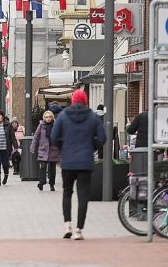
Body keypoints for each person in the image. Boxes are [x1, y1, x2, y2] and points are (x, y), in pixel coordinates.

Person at [51, 89, 106, 241]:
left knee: (67, 193)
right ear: (85, 100)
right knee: (83, 196)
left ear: (73, 100)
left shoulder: (63, 116)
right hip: (85, 162)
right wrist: (91, 146)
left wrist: (64, 148)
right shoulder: (93, 117)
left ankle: (67, 224)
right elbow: (102, 137)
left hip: (68, 161)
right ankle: (78, 230)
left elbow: (54, 137)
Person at [31, 110, 61, 192]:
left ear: (52, 117)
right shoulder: (41, 125)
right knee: (43, 167)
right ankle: (42, 182)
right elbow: (36, 137)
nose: (48, 118)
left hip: (53, 149)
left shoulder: (56, 125)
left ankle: (52, 184)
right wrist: (33, 147)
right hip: (43, 149)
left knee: (52, 169)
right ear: (44, 118)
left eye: (50, 117)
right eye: (46, 117)